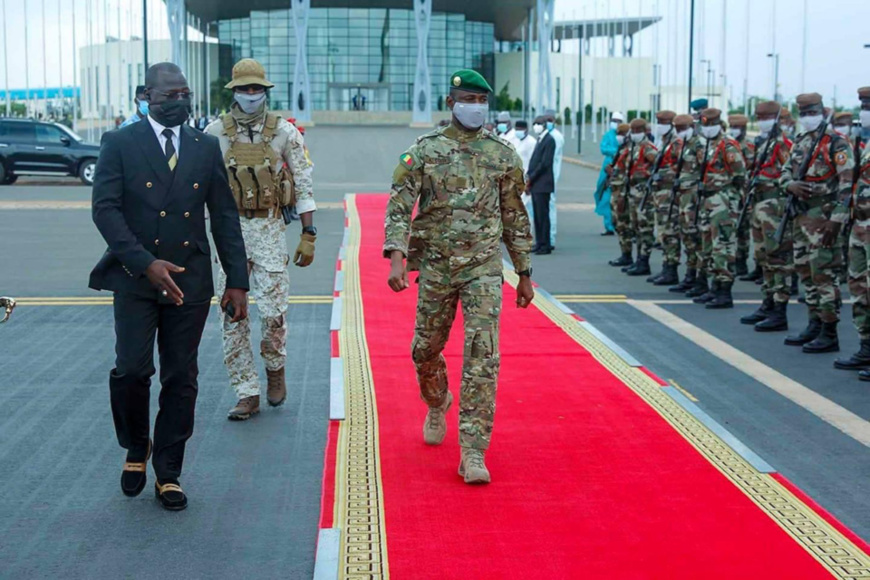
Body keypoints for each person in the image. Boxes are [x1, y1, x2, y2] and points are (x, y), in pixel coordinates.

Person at [89, 63, 250, 511]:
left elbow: (223, 216)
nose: (178, 102)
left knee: (182, 377)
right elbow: (105, 210)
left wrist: (237, 280)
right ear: (146, 95)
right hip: (135, 277)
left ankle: (169, 471)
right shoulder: (120, 143)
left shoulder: (204, 146)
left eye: (184, 93)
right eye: (168, 95)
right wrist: (144, 262)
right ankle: (136, 446)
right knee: (132, 370)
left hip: (190, 278)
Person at [384, 69, 534, 484]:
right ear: (452, 103)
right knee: (424, 350)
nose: (477, 107)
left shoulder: (503, 155)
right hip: (435, 265)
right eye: (469, 99)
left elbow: (514, 216)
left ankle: (473, 451)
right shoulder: (425, 151)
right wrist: (396, 258)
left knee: (482, 356)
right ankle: (437, 400)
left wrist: (523, 271)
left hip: (483, 269)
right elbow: (399, 206)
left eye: (483, 101)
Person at [206, 59, 317, 420]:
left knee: (273, 315)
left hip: (268, 230)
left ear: (265, 91)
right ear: (234, 92)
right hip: (228, 234)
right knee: (231, 316)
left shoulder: (285, 132)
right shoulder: (213, 133)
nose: (251, 95)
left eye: (256, 89)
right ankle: (246, 392)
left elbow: (302, 181)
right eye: (244, 89)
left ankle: (275, 369)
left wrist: (308, 232)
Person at [782, 93, 855, 352]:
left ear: (822, 112)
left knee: (824, 274)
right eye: (803, 113)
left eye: (811, 112)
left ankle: (829, 330)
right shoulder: (800, 142)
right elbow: (785, 172)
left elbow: (847, 186)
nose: (807, 117)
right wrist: (789, 184)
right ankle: (814, 323)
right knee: (805, 271)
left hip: (824, 218)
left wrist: (836, 221)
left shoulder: (837, 143)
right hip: (801, 216)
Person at [739, 101, 794, 332]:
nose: (761, 121)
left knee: (777, 259)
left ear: (777, 118)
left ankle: (779, 310)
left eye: (766, 117)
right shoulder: (765, 144)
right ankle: (768, 303)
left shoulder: (783, 145)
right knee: (763, 258)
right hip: (760, 206)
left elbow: (789, 174)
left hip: (775, 206)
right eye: (758, 117)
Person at [690, 108, 747, 309]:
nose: (706, 128)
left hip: (723, 201)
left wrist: (725, 190)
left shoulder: (728, 145)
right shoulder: (707, 145)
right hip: (708, 201)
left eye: (709, 124)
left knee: (723, 245)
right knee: (709, 245)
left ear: (717, 124)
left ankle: (724, 290)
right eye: (703, 125)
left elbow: (740, 175)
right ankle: (713, 287)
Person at [835, 87, 870, 376]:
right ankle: (866, 346)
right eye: (863, 105)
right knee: (859, 287)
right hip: (860, 225)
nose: (865, 111)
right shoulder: (862, 142)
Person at [671, 114, 706, 294]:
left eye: (683, 128)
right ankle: (690, 275)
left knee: (696, 238)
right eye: (677, 129)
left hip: (694, 199)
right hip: (684, 198)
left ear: (692, 126)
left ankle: (700, 279)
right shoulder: (683, 144)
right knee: (688, 238)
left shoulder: (699, 144)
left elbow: (705, 170)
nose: (680, 132)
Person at [648, 110, 683, 286]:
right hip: (661, 194)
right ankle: (666, 267)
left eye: (664, 122)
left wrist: (662, 174)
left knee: (670, 233)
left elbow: (681, 169)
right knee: (663, 232)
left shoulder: (676, 143)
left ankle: (671, 269)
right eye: (659, 122)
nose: (660, 125)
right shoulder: (664, 141)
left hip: (670, 195)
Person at [623, 118, 658, 276]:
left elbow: (657, 168)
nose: (635, 134)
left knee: (645, 229)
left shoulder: (649, 149)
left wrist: (645, 175)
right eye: (633, 131)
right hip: (633, 194)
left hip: (645, 195)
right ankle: (639, 259)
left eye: (638, 131)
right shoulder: (634, 147)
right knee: (635, 228)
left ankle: (644, 260)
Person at [728, 114, 756, 279]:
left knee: (743, 228)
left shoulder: (748, 146)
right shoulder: (729, 145)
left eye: (737, 128)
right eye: (732, 127)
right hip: (731, 191)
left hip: (744, 191)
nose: (734, 130)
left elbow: (749, 168)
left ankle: (741, 261)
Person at [527, 114, 557, 254]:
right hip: (536, 184)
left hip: (542, 183)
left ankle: (545, 244)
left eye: (538, 123)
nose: (536, 126)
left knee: (543, 215)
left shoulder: (549, 140)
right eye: (534, 123)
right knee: (537, 216)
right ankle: (539, 242)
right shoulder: (540, 139)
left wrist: (531, 177)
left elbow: (544, 163)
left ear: (544, 125)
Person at [607, 123, 633, 266]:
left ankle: (628, 255)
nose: (618, 137)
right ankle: (625, 253)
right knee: (619, 225)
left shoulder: (630, 150)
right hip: (616, 191)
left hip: (624, 193)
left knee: (625, 225)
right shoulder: (622, 149)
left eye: (621, 134)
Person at [595, 112, 625, 235]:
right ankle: (609, 225)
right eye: (613, 120)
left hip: (622, 168)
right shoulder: (608, 135)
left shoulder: (625, 136)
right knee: (605, 195)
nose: (615, 123)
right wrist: (616, 152)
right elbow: (603, 148)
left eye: (618, 121)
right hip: (608, 168)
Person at [544, 110, 564, 249]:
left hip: (550, 176)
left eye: (550, 119)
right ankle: (544, 237)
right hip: (545, 177)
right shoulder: (547, 135)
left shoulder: (556, 137)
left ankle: (550, 238)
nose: (548, 122)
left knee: (550, 206)